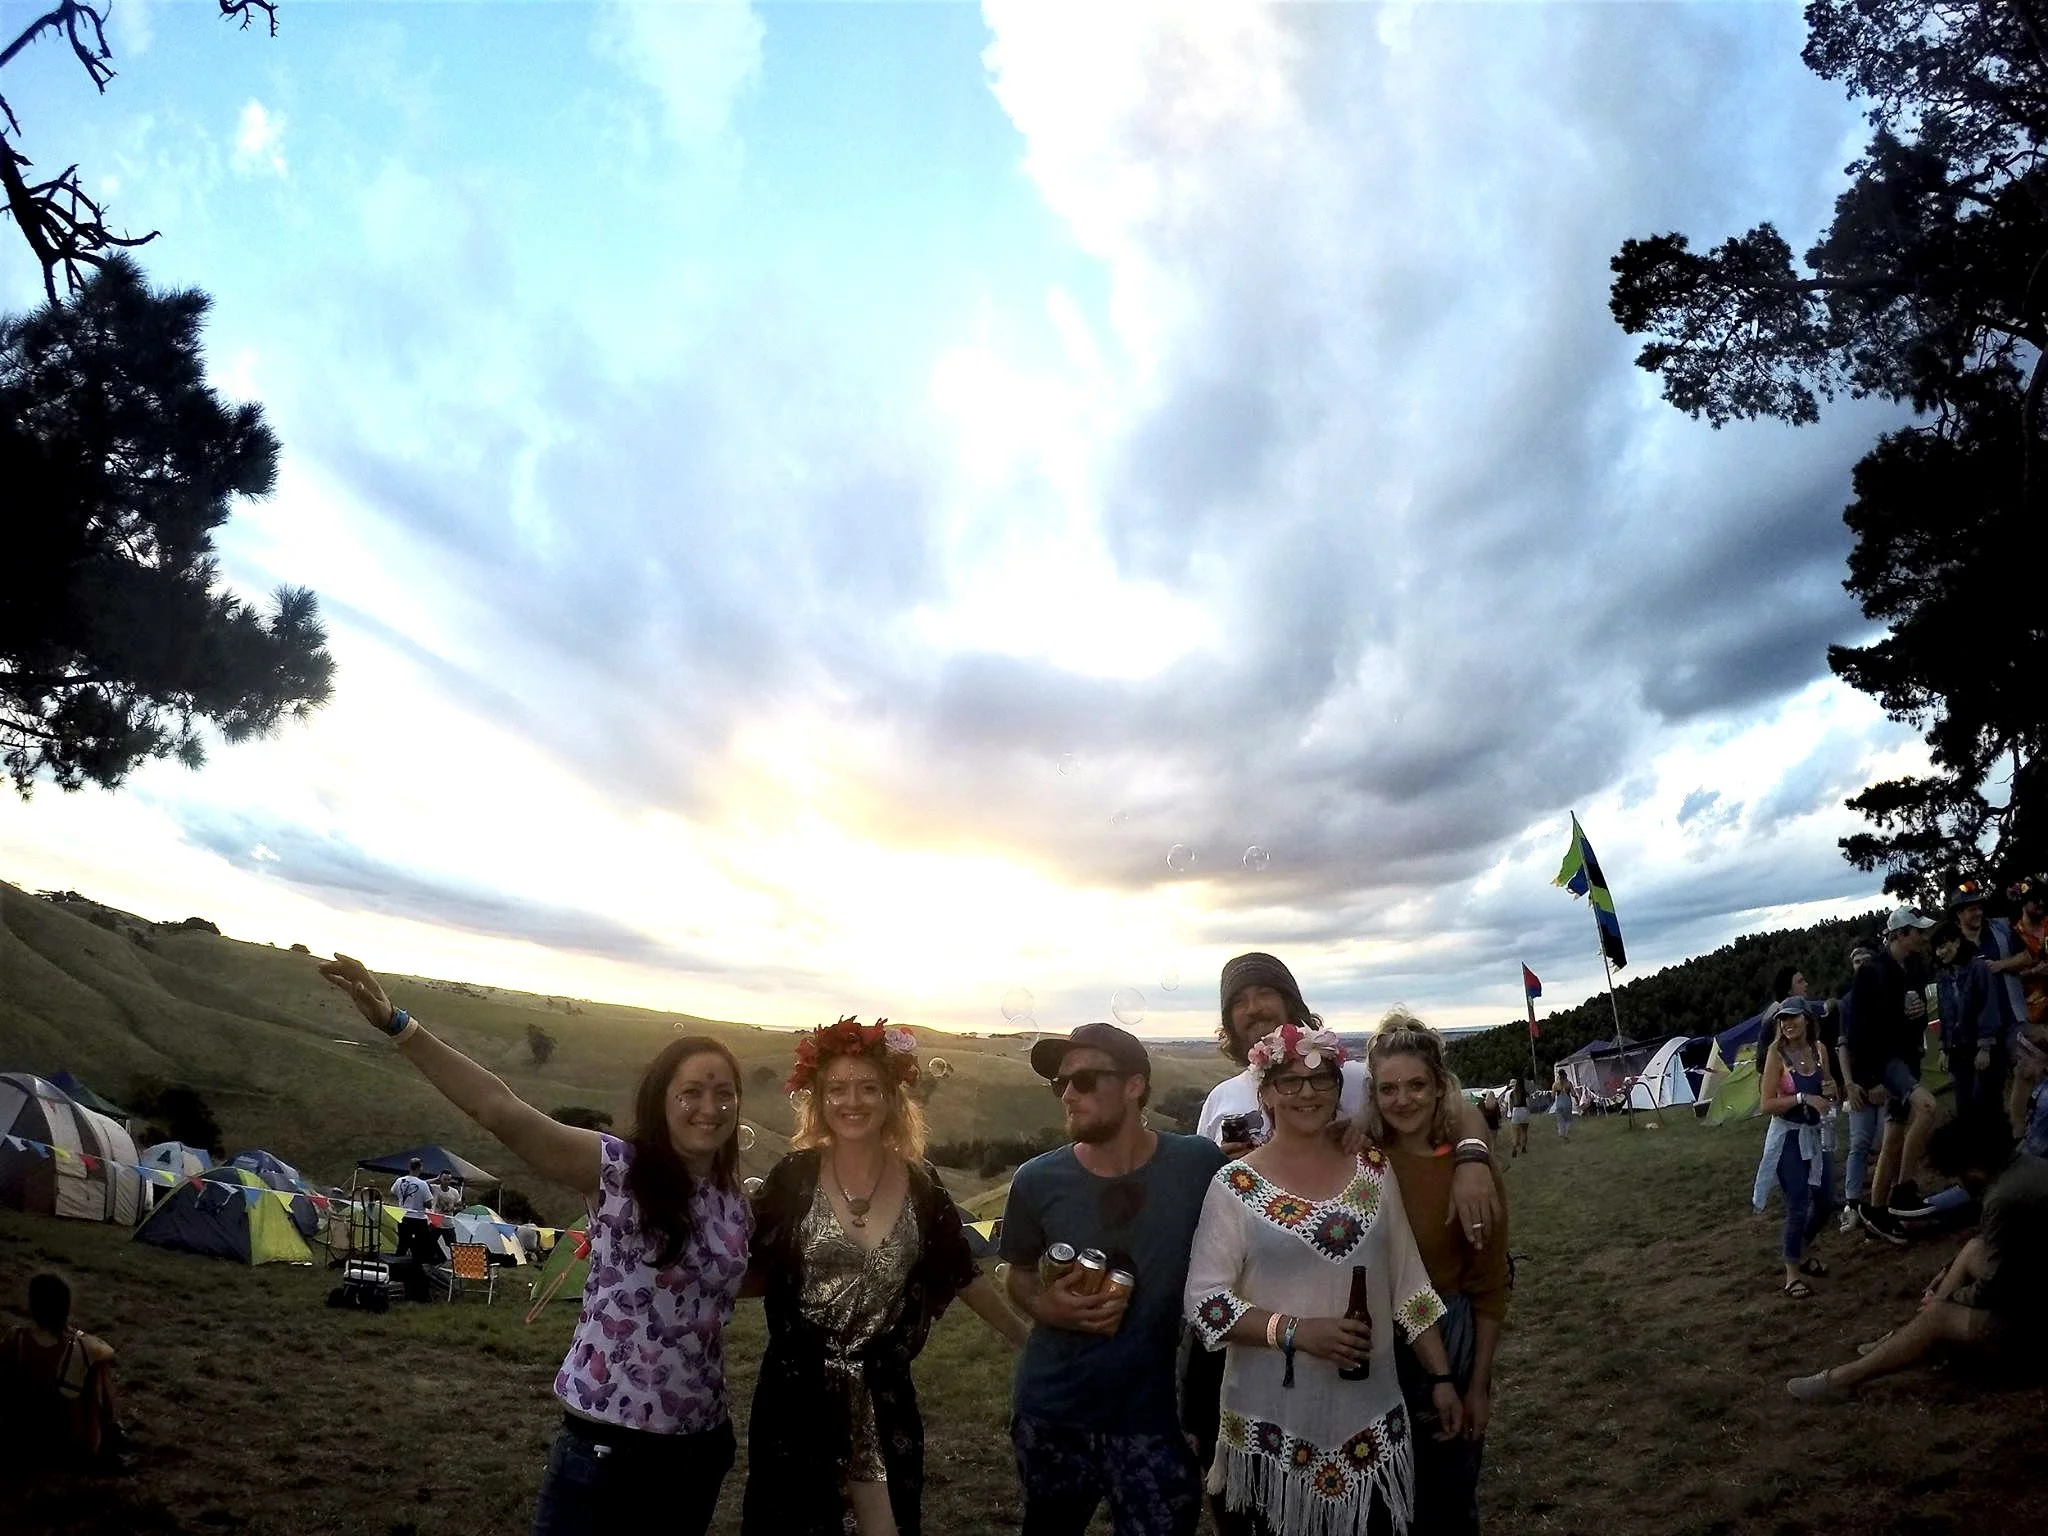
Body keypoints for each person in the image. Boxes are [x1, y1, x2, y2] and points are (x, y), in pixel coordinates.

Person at [318, 955, 749, 1535]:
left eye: (724, 1093)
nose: (709, 1107)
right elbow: (499, 1110)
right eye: (691, 1091)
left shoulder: (734, 1202)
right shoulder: (619, 1169)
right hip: (608, 1452)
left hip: (698, 1453)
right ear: (662, 1100)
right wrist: (400, 1025)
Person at [1186, 954, 1499, 1511]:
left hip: (1368, 1421)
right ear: (1266, 1092)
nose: (1306, 1094)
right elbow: (1206, 1304)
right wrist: (1294, 1331)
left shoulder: (1373, 1169)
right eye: (1290, 1082)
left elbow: (1409, 1288)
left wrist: (1445, 1379)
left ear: (1340, 1086)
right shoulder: (1232, 1184)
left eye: (1319, 1081)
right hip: (1271, 1423)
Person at [742, 1017, 1027, 1536]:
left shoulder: (921, 1183)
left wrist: (1024, 1340)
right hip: (794, 1400)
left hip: (885, 1396)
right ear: (818, 1099)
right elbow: (747, 1268)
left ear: (892, 1097)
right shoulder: (794, 1177)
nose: (853, 1101)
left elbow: (961, 1272)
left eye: (868, 1087)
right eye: (837, 1089)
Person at [1000, 1022, 1225, 1536]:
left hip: (1154, 1415)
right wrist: (1045, 1306)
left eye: (1085, 1081)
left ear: (1134, 1085)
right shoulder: (1036, 1180)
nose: (1069, 1096)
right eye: (1061, 1085)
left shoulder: (1197, 1163)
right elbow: (1016, 1274)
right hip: (1053, 1410)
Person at [1363, 1014, 1510, 1536]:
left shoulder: (1470, 1174)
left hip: (1450, 1333)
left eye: (1416, 1085)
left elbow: (1491, 1286)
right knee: (1385, 1492)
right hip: (1377, 1341)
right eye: (1389, 1088)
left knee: (1448, 1492)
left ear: (1439, 1087)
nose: (1403, 1100)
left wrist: (1479, 1385)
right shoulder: (1364, 1162)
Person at [1788, 1112, 2048, 1400]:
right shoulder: (2027, 1166)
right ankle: (1916, 1334)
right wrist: (1950, 1279)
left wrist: (1948, 1302)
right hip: (2034, 1289)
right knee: (1974, 1249)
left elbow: (1997, 1289)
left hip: (2031, 1334)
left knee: (1938, 1316)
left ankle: (1842, 1380)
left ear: (1972, 1167)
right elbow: (2006, 1257)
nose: (1959, 1185)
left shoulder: (2002, 1199)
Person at [1841, 908, 1939, 1227]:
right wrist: (1869, 1078)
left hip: (1908, 1059)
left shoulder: (1913, 968)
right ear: (1899, 934)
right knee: (1927, 1108)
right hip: (1887, 1064)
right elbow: (1857, 1033)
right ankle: (1903, 1191)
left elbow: (1916, 1017)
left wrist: (1919, 1014)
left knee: (1894, 1136)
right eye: (1916, 932)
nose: (1922, 938)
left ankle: (1877, 1211)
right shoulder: (1872, 972)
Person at [1758, 999, 1839, 1298]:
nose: (1787, 1024)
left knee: (1826, 1199)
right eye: (1782, 1020)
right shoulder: (1776, 1055)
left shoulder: (1820, 1051)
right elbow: (1767, 1104)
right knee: (1797, 1201)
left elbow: (1829, 1088)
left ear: (1806, 1019)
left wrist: (1832, 1091)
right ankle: (1792, 1272)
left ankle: (1800, 1248)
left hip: (1815, 1134)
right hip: (1788, 1137)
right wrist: (1803, 1098)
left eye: (1793, 1018)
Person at [0, 1273, 123, 1470]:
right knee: (98, 1374)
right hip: (70, 1447)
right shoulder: (86, 1348)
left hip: (21, 1439)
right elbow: (109, 1356)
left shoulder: (16, 1339)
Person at [390, 1156, 440, 1279]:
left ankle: (395, 1272)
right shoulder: (422, 1184)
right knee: (420, 1246)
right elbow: (428, 1203)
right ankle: (417, 1273)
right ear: (420, 1168)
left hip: (403, 1216)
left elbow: (392, 1192)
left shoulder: (399, 1181)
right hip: (418, 1218)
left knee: (402, 1245)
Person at [1505, 1077, 1529, 1157]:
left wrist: (1511, 1113)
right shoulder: (1525, 1092)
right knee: (1524, 1132)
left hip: (1515, 1111)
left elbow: (1511, 1105)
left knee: (1515, 1132)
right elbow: (1528, 1103)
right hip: (1524, 1110)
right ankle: (1523, 1147)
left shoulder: (1512, 1093)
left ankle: (1514, 1147)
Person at [1551, 1074, 1574, 1139]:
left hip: (1559, 1103)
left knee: (1560, 1119)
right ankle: (1566, 1133)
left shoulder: (1555, 1084)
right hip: (1567, 1103)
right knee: (1568, 1119)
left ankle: (1561, 1132)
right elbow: (1573, 1093)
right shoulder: (1569, 1083)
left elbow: (1552, 1096)